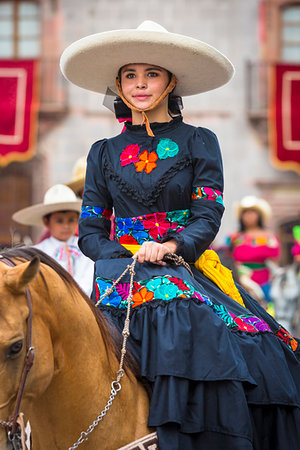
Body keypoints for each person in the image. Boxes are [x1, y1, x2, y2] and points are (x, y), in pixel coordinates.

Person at [60, 21, 300, 450]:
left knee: (254, 348)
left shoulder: (199, 141)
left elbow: (209, 211)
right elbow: (91, 228)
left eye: (151, 74)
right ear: (118, 84)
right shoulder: (102, 152)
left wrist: (171, 246)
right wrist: (124, 258)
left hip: (184, 263)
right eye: (130, 75)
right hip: (119, 273)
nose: (140, 84)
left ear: (171, 81)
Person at [12, 184, 94, 297]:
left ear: (77, 219)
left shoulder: (86, 247)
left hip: (84, 303)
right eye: (59, 221)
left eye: (71, 220)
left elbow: (89, 276)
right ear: (46, 222)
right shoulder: (37, 252)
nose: (66, 226)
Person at [226, 195, 280, 311]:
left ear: (259, 215)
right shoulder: (234, 237)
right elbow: (226, 257)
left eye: (252, 212)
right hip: (238, 280)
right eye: (246, 212)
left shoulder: (269, 237)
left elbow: (274, 262)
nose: (249, 216)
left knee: (268, 309)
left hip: (264, 281)